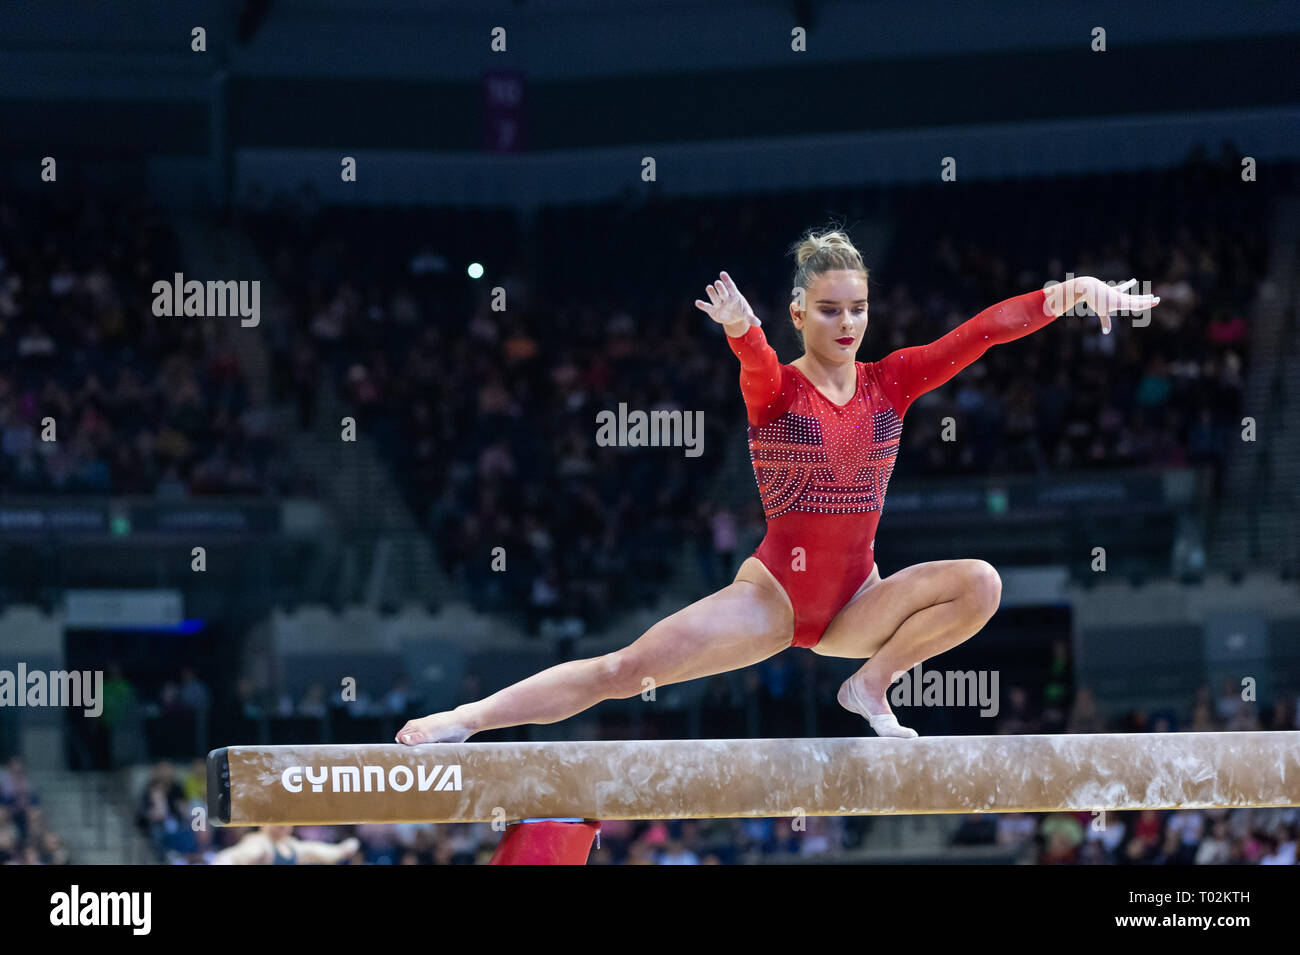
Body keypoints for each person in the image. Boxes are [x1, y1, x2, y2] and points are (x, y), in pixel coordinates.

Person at [396, 228, 1158, 745]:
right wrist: (742, 331)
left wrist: (1067, 294)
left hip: (859, 601)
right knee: (625, 670)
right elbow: (756, 367)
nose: (848, 321)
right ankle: (468, 719)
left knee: (982, 584)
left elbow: (980, 334)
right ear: (800, 311)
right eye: (830, 309)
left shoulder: (890, 384)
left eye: (858, 308)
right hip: (771, 599)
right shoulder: (777, 393)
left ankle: (871, 686)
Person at [210, 825, 360, 865]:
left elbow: (328, 853)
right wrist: (224, 860)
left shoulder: (292, 845)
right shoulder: (259, 842)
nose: (283, 824)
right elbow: (236, 856)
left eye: (286, 819)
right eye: (277, 819)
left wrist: (348, 846)